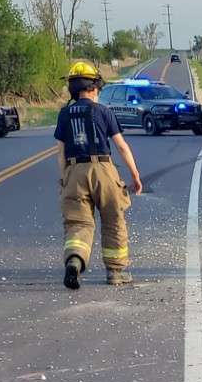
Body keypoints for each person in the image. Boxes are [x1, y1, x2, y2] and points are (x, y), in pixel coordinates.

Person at [53, 60, 143, 289]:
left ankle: (74, 260)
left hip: (74, 171)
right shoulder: (103, 111)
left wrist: (65, 178)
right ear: (94, 87)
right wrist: (135, 175)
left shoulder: (64, 114)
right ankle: (115, 273)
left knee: (77, 223)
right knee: (113, 220)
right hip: (102, 168)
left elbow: (60, 151)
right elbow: (121, 146)